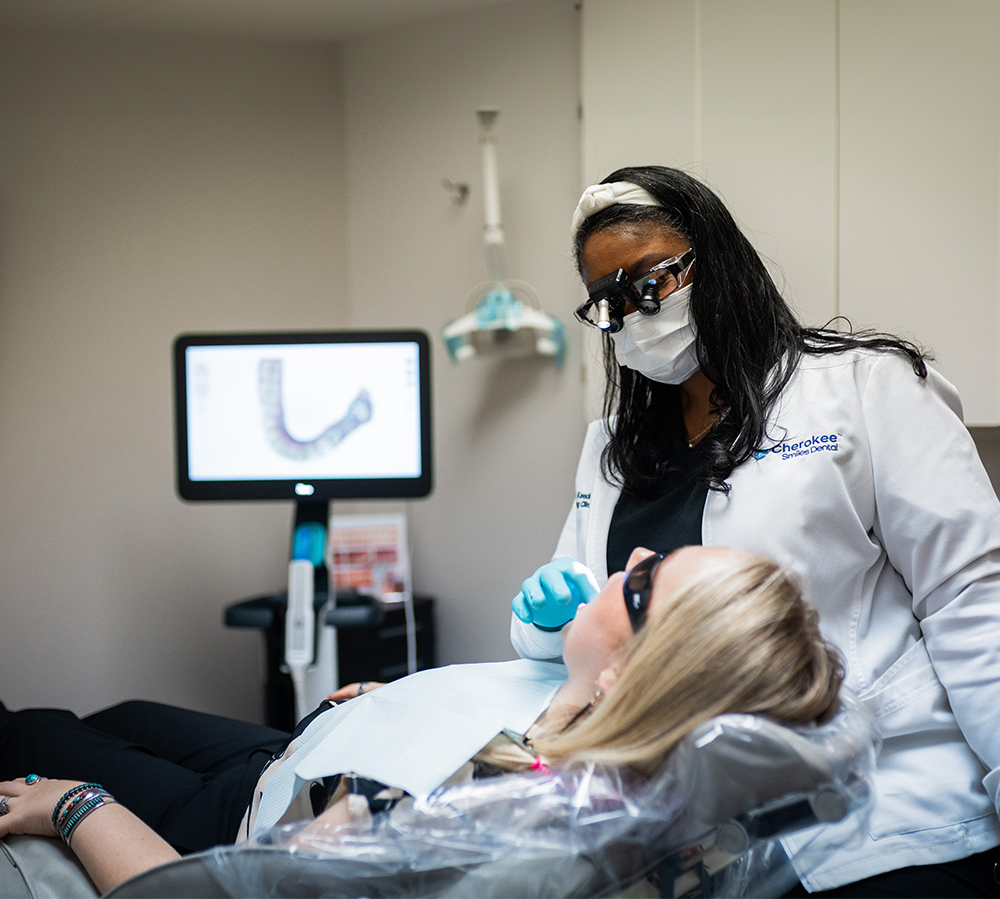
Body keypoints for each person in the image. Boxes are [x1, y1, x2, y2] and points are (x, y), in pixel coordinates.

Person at [511, 166, 1000, 897]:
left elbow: (974, 600)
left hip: (888, 809)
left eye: (651, 281)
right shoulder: (613, 445)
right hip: (698, 835)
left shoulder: (863, 388)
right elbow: (581, 629)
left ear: (715, 260)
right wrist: (545, 620)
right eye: (610, 302)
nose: (635, 313)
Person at [0, 545, 843, 895]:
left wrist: (76, 807)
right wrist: (387, 709)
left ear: (628, 681)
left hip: (242, 815)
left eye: (644, 584)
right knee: (123, 713)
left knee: (35, 732)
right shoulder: (629, 760)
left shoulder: (454, 818)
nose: (630, 556)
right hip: (309, 749)